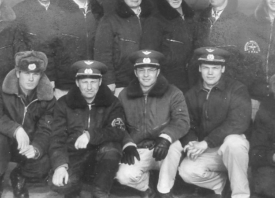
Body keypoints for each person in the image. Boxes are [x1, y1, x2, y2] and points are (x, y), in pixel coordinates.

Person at [116, 50, 190, 198]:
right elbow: (118, 124)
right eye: (141, 70)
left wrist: (166, 137)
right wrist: (127, 143)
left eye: (151, 70)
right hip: (139, 148)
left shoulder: (173, 92)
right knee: (122, 177)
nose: (146, 74)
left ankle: (164, 191)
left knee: (174, 145)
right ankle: (146, 186)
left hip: (163, 149)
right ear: (136, 73)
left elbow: (182, 120)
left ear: (158, 72)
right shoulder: (124, 94)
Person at [179, 47, 251, 198]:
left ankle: (240, 194)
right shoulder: (192, 94)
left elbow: (238, 122)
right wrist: (192, 143)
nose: (210, 73)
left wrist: (206, 142)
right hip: (209, 150)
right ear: (200, 68)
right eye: (206, 68)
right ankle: (225, 185)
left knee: (233, 142)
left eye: (215, 68)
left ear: (223, 69)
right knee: (186, 171)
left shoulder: (237, 89)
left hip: (232, 149)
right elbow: (187, 124)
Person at [0, 51, 55, 198]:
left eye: (35, 74)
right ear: (17, 73)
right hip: (5, 143)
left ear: (40, 76)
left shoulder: (48, 98)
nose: (30, 78)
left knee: (46, 160)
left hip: (28, 145)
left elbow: (46, 129)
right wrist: (15, 129)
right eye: (26, 73)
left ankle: (19, 176)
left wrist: (36, 148)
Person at [49, 60, 126, 198]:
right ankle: (77, 184)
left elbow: (118, 131)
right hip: (75, 156)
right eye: (84, 82)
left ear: (100, 81)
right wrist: (60, 165)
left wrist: (90, 135)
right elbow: (57, 137)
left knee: (111, 149)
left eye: (93, 81)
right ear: (77, 83)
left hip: (100, 157)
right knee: (60, 184)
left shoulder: (112, 102)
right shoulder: (63, 104)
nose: (89, 87)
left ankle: (100, 192)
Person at [13, 0, 70, 96]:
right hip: (29, 74)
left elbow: (63, 49)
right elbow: (18, 45)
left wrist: (55, 77)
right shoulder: (19, 11)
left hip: (57, 77)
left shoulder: (61, 12)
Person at [94, 0, 153, 96]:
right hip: (121, 84)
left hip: (147, 83)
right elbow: (103, 53)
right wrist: (109, 81)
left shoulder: (151, 19)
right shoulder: (109, 20)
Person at [141, 0, 196, 92]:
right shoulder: (155, 21)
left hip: (191, 81)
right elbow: (150, 56)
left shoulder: (191, 18)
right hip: (168, 82)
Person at [54, 0, 104, 96]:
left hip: (90, 79)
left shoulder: (98, 12)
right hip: (65, 79)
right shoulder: (59, 11)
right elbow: (51, 47)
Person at [194, 0, 247, 83]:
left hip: (229, 82)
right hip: (202, 81)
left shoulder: (241, 20)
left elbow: (246, 59)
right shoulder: (200, 18)